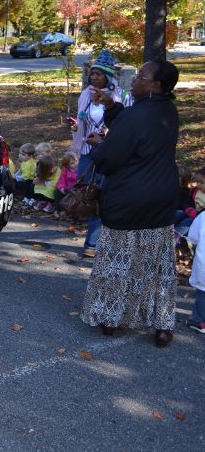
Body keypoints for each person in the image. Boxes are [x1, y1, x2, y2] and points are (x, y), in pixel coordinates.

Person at [80, 59, 180, 348]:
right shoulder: (167, 110)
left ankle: (111, 318)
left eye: (141, 76)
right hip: (161, 195)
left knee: (118, 260)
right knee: (157, 262)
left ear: (155, 85)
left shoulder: (136, 116)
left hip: (129, 195)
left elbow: (111, 157)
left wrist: (99, 148)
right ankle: (162, 324)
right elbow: (136, 130)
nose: (134, 79)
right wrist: (113, 108)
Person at [70, 50, 127, 257]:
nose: (94, 77)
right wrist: (76, 127)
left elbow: (124, 124)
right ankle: (95, 233)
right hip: (87, 151)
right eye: (92, 73)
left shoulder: (120, 96)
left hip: (108, 152)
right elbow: (82, 120)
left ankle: (92, 244)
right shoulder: (86, 94)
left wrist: (107, 132)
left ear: (108, 77)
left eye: (99, 74)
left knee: (101, 195)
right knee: (86, 193)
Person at [186, 210, 205, 334]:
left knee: (202, 295)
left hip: (204, 264)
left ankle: (199, 321)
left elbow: (193, 237)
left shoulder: (203, 216)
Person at [55, 151, 79, 216]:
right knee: (57, 192)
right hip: (67, 189)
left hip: (76, 189)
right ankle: (58, 209)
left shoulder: (80, 169)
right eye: (72, 163)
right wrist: (62, 188)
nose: (75, 164)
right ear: (67, 165)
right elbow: (61, 180)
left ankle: (73, 212)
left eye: (76, 161)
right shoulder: (65, 171)